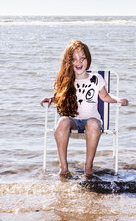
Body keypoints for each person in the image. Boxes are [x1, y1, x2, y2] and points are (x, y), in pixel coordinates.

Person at [41, 40, 128, 177]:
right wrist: (51, 99)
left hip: (90, 120)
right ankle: (63, 167)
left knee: (93, 124)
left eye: (82, 58)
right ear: (68, 62)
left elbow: (105, 96)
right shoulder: (66, 79)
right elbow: (59, 96)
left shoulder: (95, 78)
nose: (79, 62)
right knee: (62, 122)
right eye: (74, 59)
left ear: (88, 59)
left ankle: (88, 167)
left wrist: (118, 99)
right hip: (72, 120)